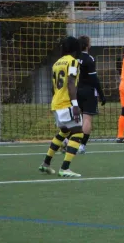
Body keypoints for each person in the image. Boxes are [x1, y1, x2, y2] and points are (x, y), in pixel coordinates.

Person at [38, 36, 83, 177]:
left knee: (63, 132)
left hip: (56, 103)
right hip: (66, 103)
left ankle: (46, 164)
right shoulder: (73, 62)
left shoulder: (56, 63)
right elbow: (70, 82)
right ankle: (65, 168)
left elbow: (54, 86)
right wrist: (75, 105)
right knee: (78, 132)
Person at [75, 35, 106, 154]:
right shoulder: (89, 59)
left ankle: (68, 141)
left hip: (75, 91)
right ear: (87, 45)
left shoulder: (74, 58)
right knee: (87, 118)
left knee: (76, 119)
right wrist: (102, 94)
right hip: (88, 91)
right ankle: (82, 145)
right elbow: (94, 78)